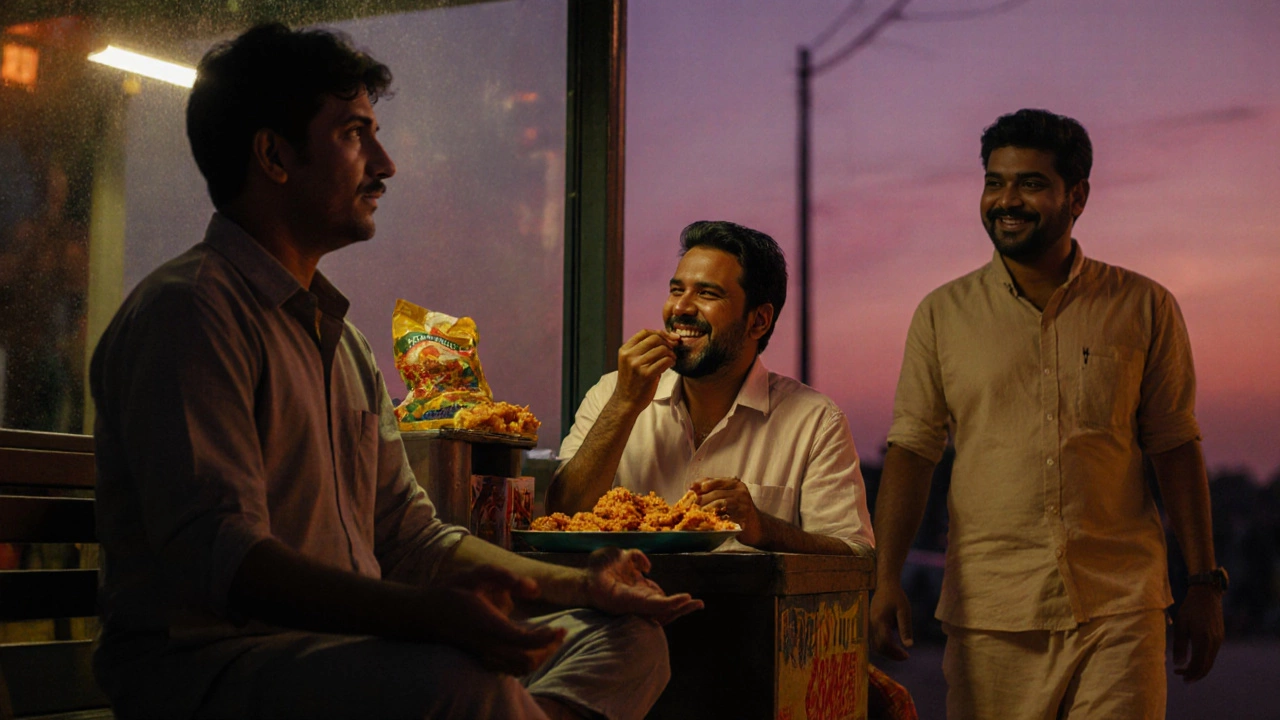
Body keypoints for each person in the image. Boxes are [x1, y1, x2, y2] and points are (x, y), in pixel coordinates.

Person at [89, 23, 701, 720]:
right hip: (215, 671)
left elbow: (413, 538)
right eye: (355, 134)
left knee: (629, 640)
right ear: (274, 155)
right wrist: (427, 618)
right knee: (458, 681)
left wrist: (582, 587)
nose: (386, 164)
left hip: (350, 656)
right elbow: (227, 561)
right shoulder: (192, 312)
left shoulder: (342, 344)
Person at [869, 108, 1224, 718]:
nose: (1007, 200)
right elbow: (912, 449)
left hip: (1120, 605)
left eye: (1030, 183)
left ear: (1076, 196)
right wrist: (885, 578)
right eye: (995, 182)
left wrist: (1204, 581)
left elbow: (1174, 445)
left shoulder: (1143, 306)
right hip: (991, 613)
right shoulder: (942, 315)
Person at [546, 221, 873, 555]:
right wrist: (623, 404)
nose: (680, 308)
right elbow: (560, 516)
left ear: (759, 320)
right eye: (677, 290)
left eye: (707, 294)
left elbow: (856, 556)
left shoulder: (817, 422)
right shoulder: (611, 393)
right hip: (623, 591)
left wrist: (762, 528)